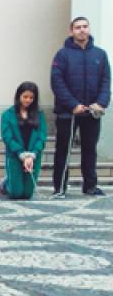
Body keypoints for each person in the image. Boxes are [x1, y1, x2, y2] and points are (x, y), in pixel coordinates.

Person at [50, 16, 111, 196]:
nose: (82, 30)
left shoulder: (100, 54)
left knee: (90, 150)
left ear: (89, 29)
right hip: (67, 113)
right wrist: (73, 105)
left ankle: (90, 186)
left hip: (92, 112)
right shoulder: (62, 55)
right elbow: (57, 82)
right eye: (78, 27)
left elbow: (106, 81)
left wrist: (101, 102)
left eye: (85, 26)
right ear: (72, 31)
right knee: (63, 150)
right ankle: (60, 187)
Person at [0, 82, 47, 200]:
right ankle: (6, 184)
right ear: (19, 96)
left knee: (27, 194)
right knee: (16, 193)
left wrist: (32, 155)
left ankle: (13, 180)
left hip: (33, 156)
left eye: (31, 98)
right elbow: (7, 137)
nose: (28, 100)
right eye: (25, 97)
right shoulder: (7, 115)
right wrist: (21, 154)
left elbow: (42, 136)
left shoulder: (39, 115)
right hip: (15, 155)